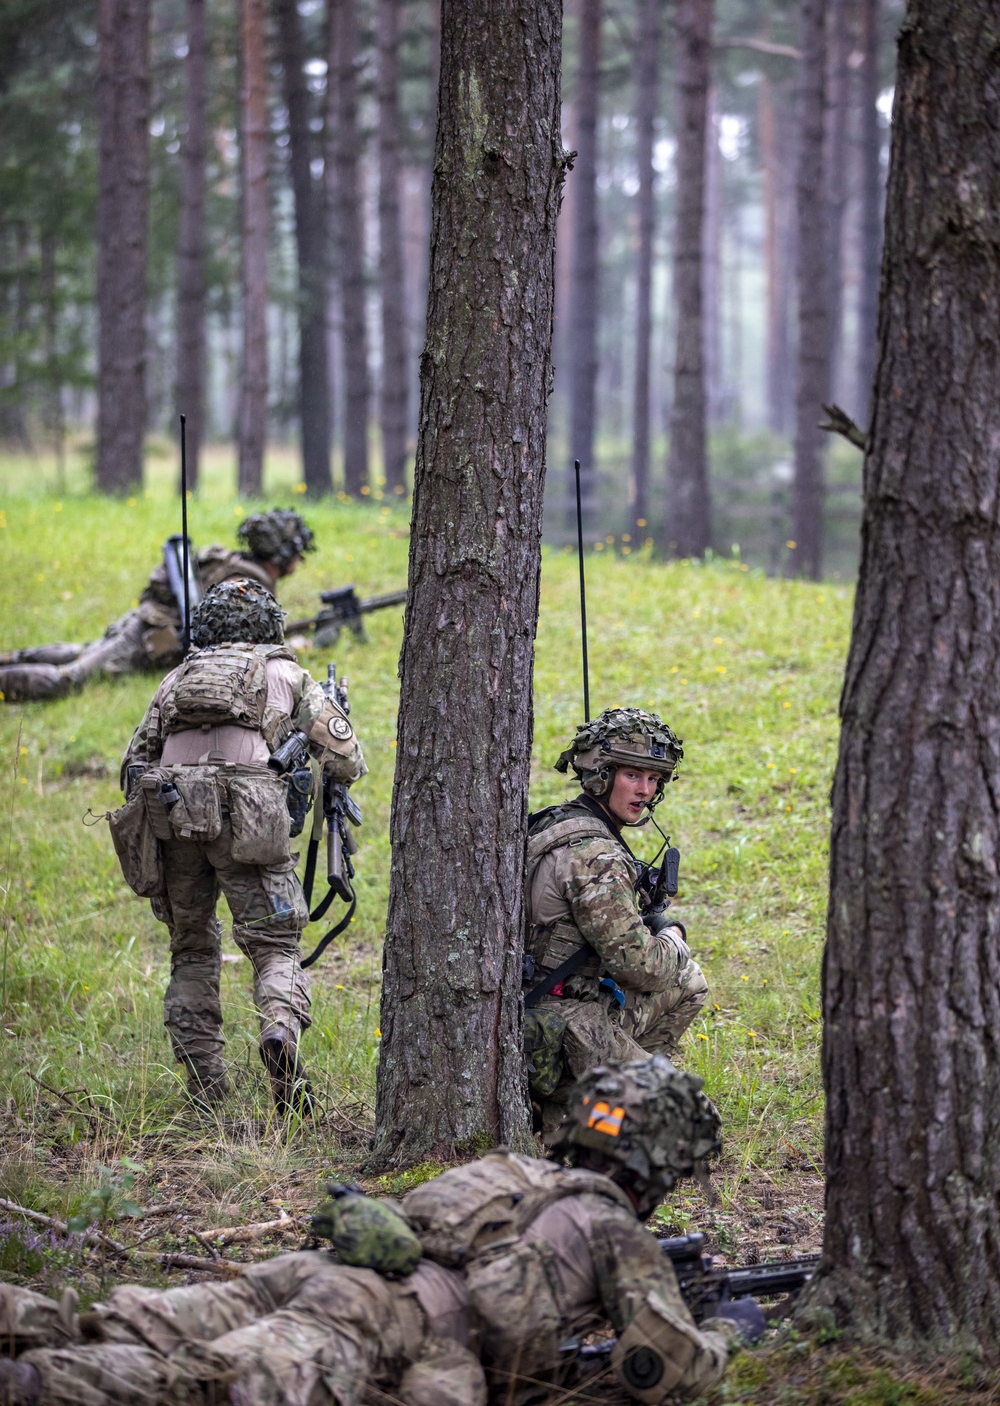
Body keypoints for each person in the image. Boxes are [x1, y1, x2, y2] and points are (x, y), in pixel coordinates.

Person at [0, 1056, 761, 1406]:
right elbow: (663, 1369)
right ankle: (29, 1385)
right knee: (203, 1386)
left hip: (314, 1272)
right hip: (368, 1321)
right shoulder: (611, 1227)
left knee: (120, 1319)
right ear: (658, 1166)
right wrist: (727, 1332)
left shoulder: (513, 1172)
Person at [112, 576, 365, 1113]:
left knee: (192, 950)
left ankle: (206, 1085)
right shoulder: (286, 674)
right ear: (269, 623)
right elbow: (348, 761)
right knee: (274, 946)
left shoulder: (178, 678)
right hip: (250, 829)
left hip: (174, 819)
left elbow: (133, 765)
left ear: (207, 626)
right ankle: (278, 1033)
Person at [523, 708, 709, 1139]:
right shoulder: (597, 856)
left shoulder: (556, 823)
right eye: (632, 775)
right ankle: (583, 1106)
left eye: (655, 779)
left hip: (547, 1007)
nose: (646, 790)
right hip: (563, 1023)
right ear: (600, 775)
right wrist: (673, 937)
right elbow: (642, 969)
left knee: (690, 984)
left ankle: (602, 1094)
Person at [0, 509, 315, 702]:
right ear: (283, 554)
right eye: (298, 552)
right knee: (67, 680)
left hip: (145, 621)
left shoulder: (237, 562)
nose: (300, 560)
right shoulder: (247, 581)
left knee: (83, 653)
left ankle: (13, 658)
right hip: (149, 635)